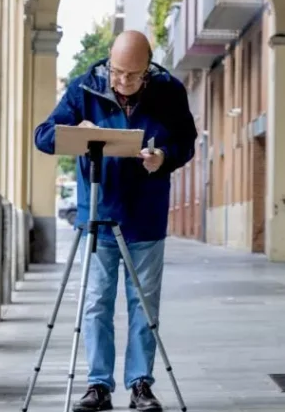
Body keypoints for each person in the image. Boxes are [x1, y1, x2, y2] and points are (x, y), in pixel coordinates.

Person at [34, 30, 198, 412]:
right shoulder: (84, 89)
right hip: (98, 216)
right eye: (118, 72)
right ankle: (98, 385)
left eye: (133, 75)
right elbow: (43, 136)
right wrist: (77, 133)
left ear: (148, 69)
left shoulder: (169, 92)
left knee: (144, 305)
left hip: (145, 217)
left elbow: (186, 142)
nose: (123, 81)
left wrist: (164, 158)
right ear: (109, 59)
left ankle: (140, 385)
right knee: (96, 303)